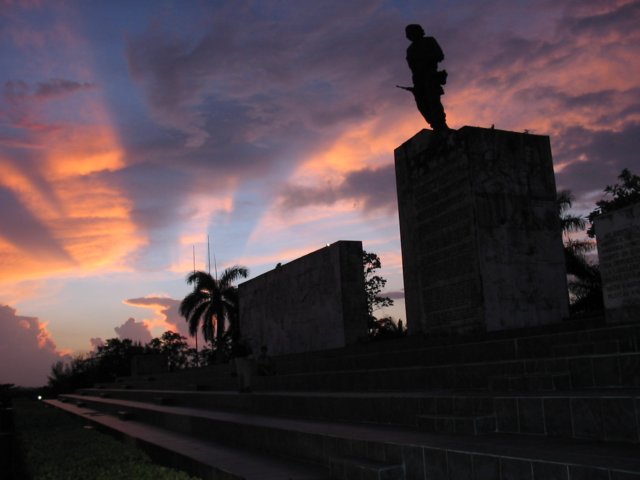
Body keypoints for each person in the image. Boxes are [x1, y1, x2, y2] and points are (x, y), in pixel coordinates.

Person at [404, 24, 449, 133]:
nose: (409, 35)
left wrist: (425, 60)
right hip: (418, 80)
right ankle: (434, 124)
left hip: (430, 76)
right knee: (422, 104)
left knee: (433, 101)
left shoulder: (429, 41)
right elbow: (412, 66)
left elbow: (440, 55)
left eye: (412, 32)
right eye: (408, 33)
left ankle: (440, 124)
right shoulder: (410, 50)